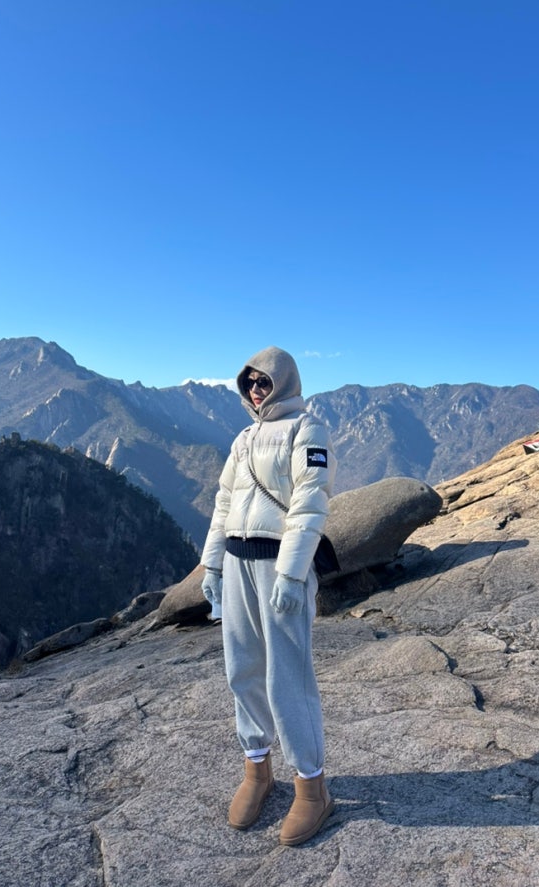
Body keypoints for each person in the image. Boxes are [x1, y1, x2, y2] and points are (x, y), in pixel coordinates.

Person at [200, 346, 337, 846]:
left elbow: (310, 500)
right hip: (238, 562)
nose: (256, 390)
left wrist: (293, 572)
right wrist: (212, 563)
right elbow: (224, 502)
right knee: (242, 669)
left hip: (280, 564)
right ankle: (257, 771)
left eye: (264, 381)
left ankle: (311, 788)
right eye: (250, 382)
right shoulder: (243, 439)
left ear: (284, 382)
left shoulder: (308, 430)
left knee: (287, 678)